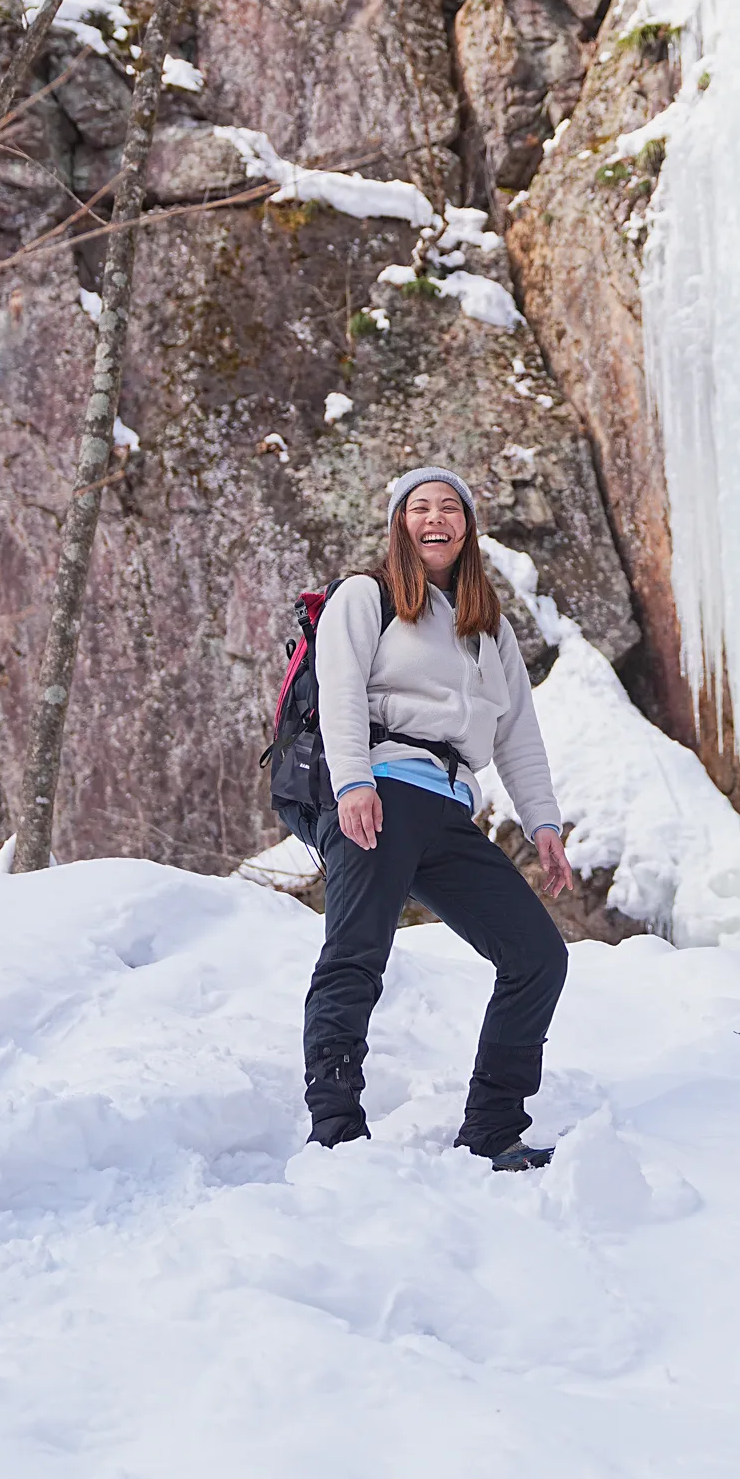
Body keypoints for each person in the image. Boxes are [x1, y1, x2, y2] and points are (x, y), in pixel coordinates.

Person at [277, 464, 574, 1170]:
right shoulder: (367, 594)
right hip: (379, 787)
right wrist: (352, 783)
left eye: (450, 508)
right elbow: (342, 687)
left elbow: (518, 735)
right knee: (356, 955)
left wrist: (545, 825)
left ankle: (493, 1128)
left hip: (448, 807)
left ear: (467, 528)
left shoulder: (486, 626)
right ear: (400, 524)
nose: (435, 518)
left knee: (536, 957)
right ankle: (337, 1130)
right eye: (420, 508)